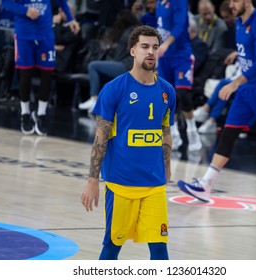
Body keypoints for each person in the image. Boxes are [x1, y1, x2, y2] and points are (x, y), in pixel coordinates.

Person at [178, 0, 256, 208]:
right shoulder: (238, 22)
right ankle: (206, 184)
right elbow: (250, 53)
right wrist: (238, 57)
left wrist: (235, 82)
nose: (231, 5)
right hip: (247, 89)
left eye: (235, 1)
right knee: (228, 132)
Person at [81, 25, 176, 260]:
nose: (151, 52)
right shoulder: (114, 90)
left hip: (154, 185)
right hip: (120, 185)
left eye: (155, 47)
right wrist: (93, 180)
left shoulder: (167, 92)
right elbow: (100, 138)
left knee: (160, 248)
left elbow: (165, 132)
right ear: (132, 50)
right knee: (112, 247)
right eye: (145, 47)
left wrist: (167, 166)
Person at [1, 0, 80, 136]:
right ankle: (25, 113)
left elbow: (62, 2)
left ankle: (41, 114)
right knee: (25, 75)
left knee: (47, 74)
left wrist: (71, 19)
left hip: (45, 35)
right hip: (24, 35)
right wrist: (25, 11)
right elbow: (6, 3)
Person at [156, 0, 202, 152]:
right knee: (166, 96)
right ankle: (174, 135)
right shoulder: (159, 3)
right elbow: (160, 28)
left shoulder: (179, 2)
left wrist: (166, 44)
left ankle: (192, 131)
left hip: (181, 55)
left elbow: (179, 26)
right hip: (164, 57)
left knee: (182, 93)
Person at [78, 9, 140, 113]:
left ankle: (94, 99)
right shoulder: (136, 31)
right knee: (101, 71)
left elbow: (120, 54)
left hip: (126, 65)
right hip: (131, 65)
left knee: (93, 66)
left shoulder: (128, 33)